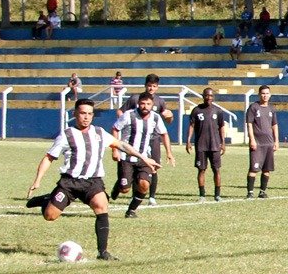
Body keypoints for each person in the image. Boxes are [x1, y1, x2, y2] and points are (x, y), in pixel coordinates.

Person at [25, 98, 160, 261]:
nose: (86, 117)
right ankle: (48, 199)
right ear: (75, 114)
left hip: (93, 182)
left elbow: (122, 145)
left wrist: (143, 158)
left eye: (89, 114)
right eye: (82, 113)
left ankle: (102, 253)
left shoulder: (99, 132)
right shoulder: (66, 135)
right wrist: (37, 180)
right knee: (50, 216)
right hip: (70, 182)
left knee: (102, 206)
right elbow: (49, 157)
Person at [111, 91, 175, 218]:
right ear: (138, 104)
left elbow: (164, 134)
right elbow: (115, 128)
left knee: (144, 185)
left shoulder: (155, 118)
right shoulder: (128, 115)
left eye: (148, 104)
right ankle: (119, 186)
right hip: (126, 157)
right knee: (125, 189)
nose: (145, 106)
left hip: (145, 158)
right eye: (142, 103)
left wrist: (169, 153)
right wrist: (115, 149)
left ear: (152, 105)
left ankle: (131, 211)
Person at [119, 73, 175, 205]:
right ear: (145, 85)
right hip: (135, 138)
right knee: (132, 165)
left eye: (154, 86)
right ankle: (129, 188)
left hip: (153, 139)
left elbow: (166, 121)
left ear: (157, 87)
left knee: (154, 166)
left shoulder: (160, 101)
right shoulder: (135, 99)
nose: (151, 88)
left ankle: (152, 196)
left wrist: (169, 117)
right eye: (149, 86)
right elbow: (121, 112)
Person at [185, 87, 226, 201]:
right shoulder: (196, 110)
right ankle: (202, 195)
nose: (209, 98)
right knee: (201, 170)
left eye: (211, 95)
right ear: (203, 96)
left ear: (213, 97)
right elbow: (191, 126)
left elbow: (222, 127)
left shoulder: (218, 111)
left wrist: (223, 143)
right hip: (201, 145)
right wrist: (188, 141)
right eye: (207, 95)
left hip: (215, 145)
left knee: (216, 169)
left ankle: (217, 195)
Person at [246, 84, 279, 199]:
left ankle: (262, 191)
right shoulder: (253, 107)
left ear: (270, 95)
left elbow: (274, 125)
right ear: (259, 94)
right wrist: (252, 140)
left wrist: (276, 141)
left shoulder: (271, 109)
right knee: (254, 168)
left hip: (269, 143)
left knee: (266, 169)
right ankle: (250, 192)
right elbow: (249, 124)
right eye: (263, 93)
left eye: (267, 93)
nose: (265, 96)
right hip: (257, 143)